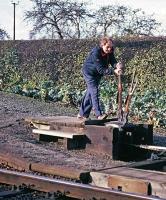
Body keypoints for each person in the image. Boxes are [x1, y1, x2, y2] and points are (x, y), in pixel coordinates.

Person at [77, 36, 123, 120]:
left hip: (97, 74)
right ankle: (98, 115)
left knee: (90, 93)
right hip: (89, 73)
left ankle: (82, 114)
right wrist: (114, 71)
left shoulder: (110, 51)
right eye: (107, 47)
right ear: (102, 45)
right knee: (94, 91)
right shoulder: (96, 53)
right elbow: (101, 70)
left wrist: (117, 65)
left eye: (111, 47)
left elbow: (112, 61)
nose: (109, 49)